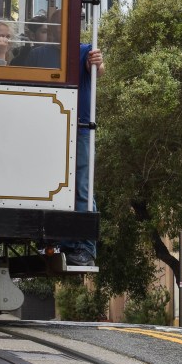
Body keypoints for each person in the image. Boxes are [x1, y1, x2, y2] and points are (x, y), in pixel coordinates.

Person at [62, 43, 105, 267]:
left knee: (82, 186)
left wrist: (97, 62)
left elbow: (98, 68)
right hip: (56, 123)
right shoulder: (45, 48)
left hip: (80, 125)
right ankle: (68, 243)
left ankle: (86, 248)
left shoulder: (84, 49)